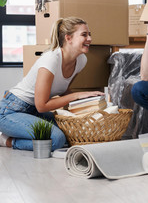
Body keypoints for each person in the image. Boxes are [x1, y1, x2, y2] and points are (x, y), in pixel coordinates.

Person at [0, 17, 104, 151]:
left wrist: (84, 108)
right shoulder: (51, 59)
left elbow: (64, 90)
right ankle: (6, 140)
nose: (89, 39)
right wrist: (77, 95)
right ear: (68, 38)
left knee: (74, 130)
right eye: (84, 35)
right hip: (10, 111)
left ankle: (19, 132)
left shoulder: (81, 60)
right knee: (57, 139)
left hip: (33, 112)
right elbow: (42, 105)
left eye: (89, 34)